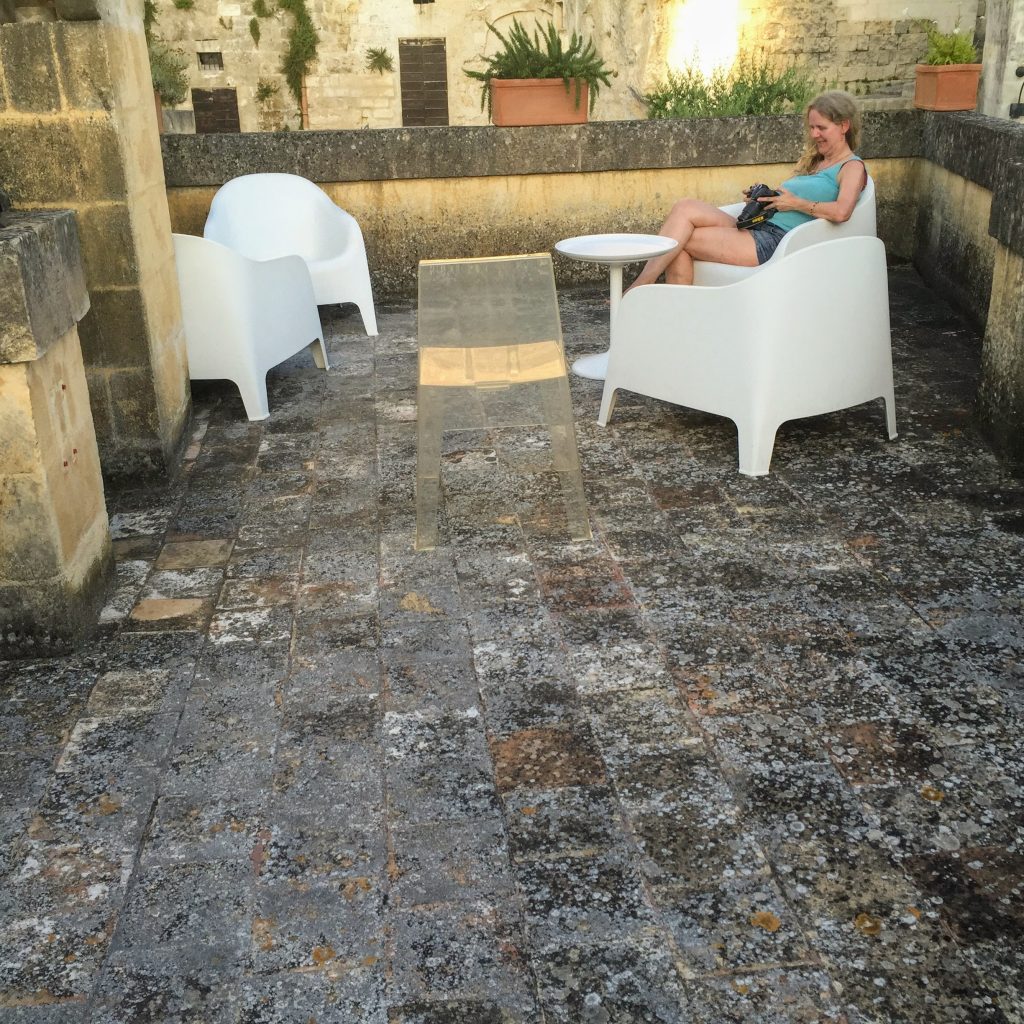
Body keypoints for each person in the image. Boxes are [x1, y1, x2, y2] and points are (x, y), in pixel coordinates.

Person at [628, 90, 868, 289]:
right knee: (684, 207)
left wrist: (795, 203)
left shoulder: (851, 167)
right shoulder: (817, 162)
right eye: (812, 127)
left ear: (844, 126)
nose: (814, 134)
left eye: (822, 128)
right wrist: (763, 198)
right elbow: (789, 201)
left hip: (775, 241)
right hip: (761, 224)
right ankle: (657, 299)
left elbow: (841, 212)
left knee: (678, 243)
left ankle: (643, 290)